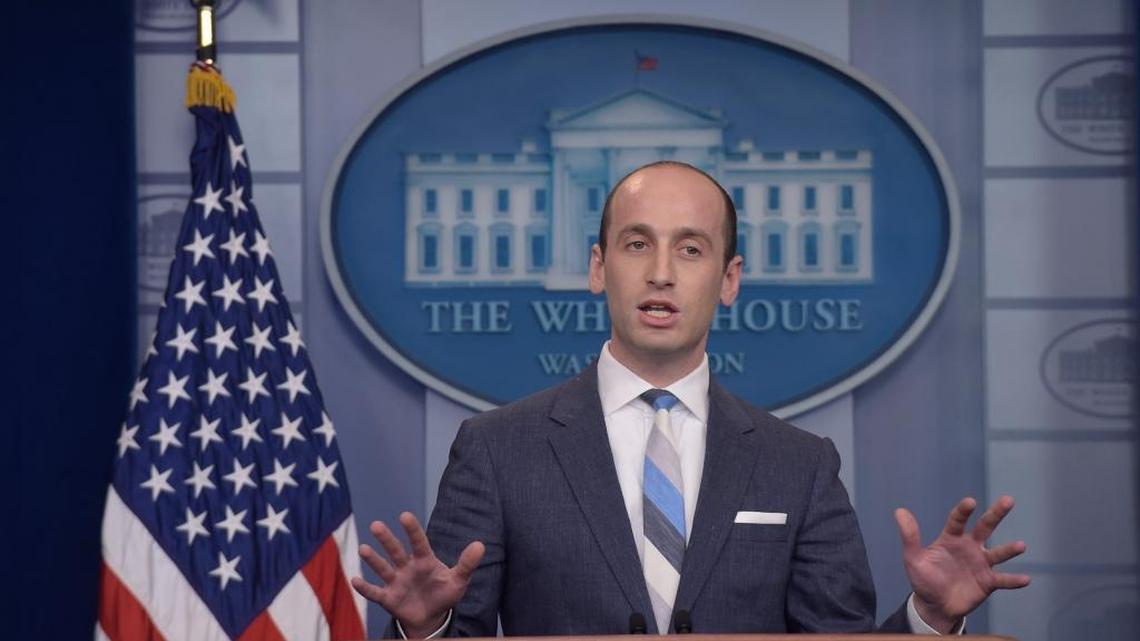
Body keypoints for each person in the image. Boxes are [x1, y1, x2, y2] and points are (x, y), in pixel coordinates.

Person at [351, 161, 1030, 636]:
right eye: (637, 242)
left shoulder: (801, 465)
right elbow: (450, 635)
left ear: (729, 279)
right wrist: (427, 626)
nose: (661, 272)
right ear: (598, 267)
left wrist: (931, 618)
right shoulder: (498, 449)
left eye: (692, 249)